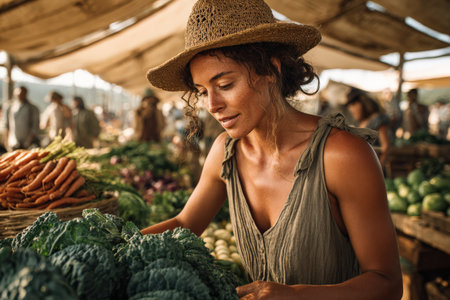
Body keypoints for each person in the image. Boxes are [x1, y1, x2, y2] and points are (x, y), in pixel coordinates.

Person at [142, 0, 402, 298]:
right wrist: (110, 245)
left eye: (225, 84)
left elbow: (388, 283)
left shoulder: (342, 155)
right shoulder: (225, 152)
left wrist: (297, 296)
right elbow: (185, 224)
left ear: (271, 69)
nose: (212, 106)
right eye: (202, 92)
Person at [345, 89, 391, 167]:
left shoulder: (378, 119)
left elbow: (386, 148)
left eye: (354, 104)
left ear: (363, 103)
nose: (351, 109)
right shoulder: (360, 123)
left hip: (374, 167)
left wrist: (378, 167)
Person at [3, 86, 40, 150]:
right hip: (13, 142)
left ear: (26, 94)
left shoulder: (32, 108)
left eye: (23, 93)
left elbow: (35, 126)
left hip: (27, 143)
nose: (20, 95)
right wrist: (6, 142)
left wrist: (28, 141)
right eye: (18, 93)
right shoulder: (9, 107)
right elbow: (6, 125)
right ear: (14, 94)